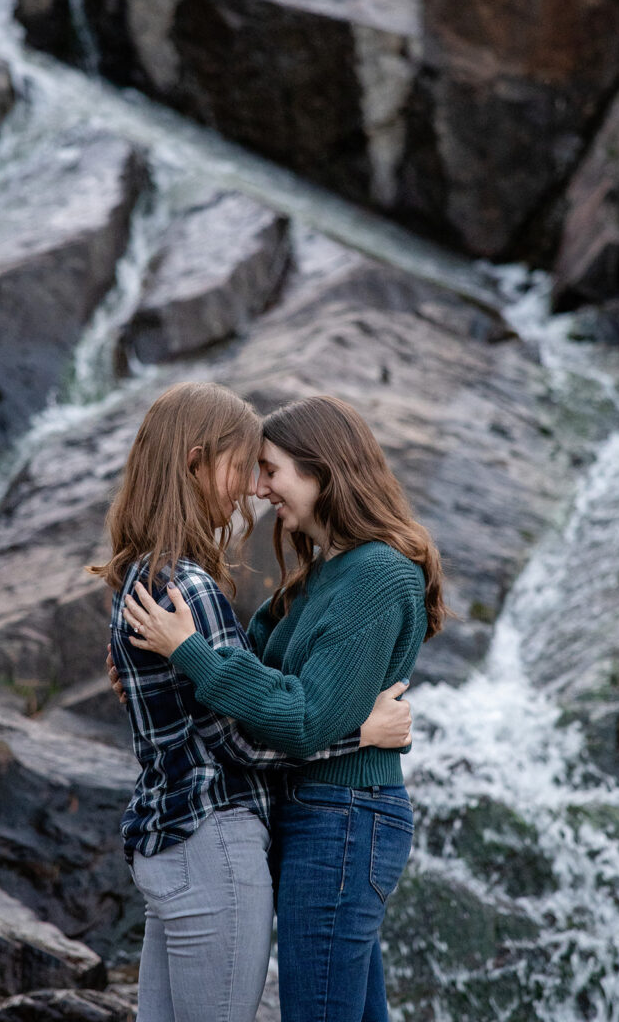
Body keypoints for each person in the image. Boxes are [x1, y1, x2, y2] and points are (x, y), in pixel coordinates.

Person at [89, 382, 413, 1022]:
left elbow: (289, 713)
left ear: (324, 471)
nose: (255, 491)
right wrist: (362, 732)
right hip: (282, 818)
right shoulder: (282, 582)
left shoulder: (374, 573)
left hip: (339, 817)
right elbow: (252, 722)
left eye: (270, 471)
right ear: (196, 463)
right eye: (249, 469)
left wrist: (193, 660)